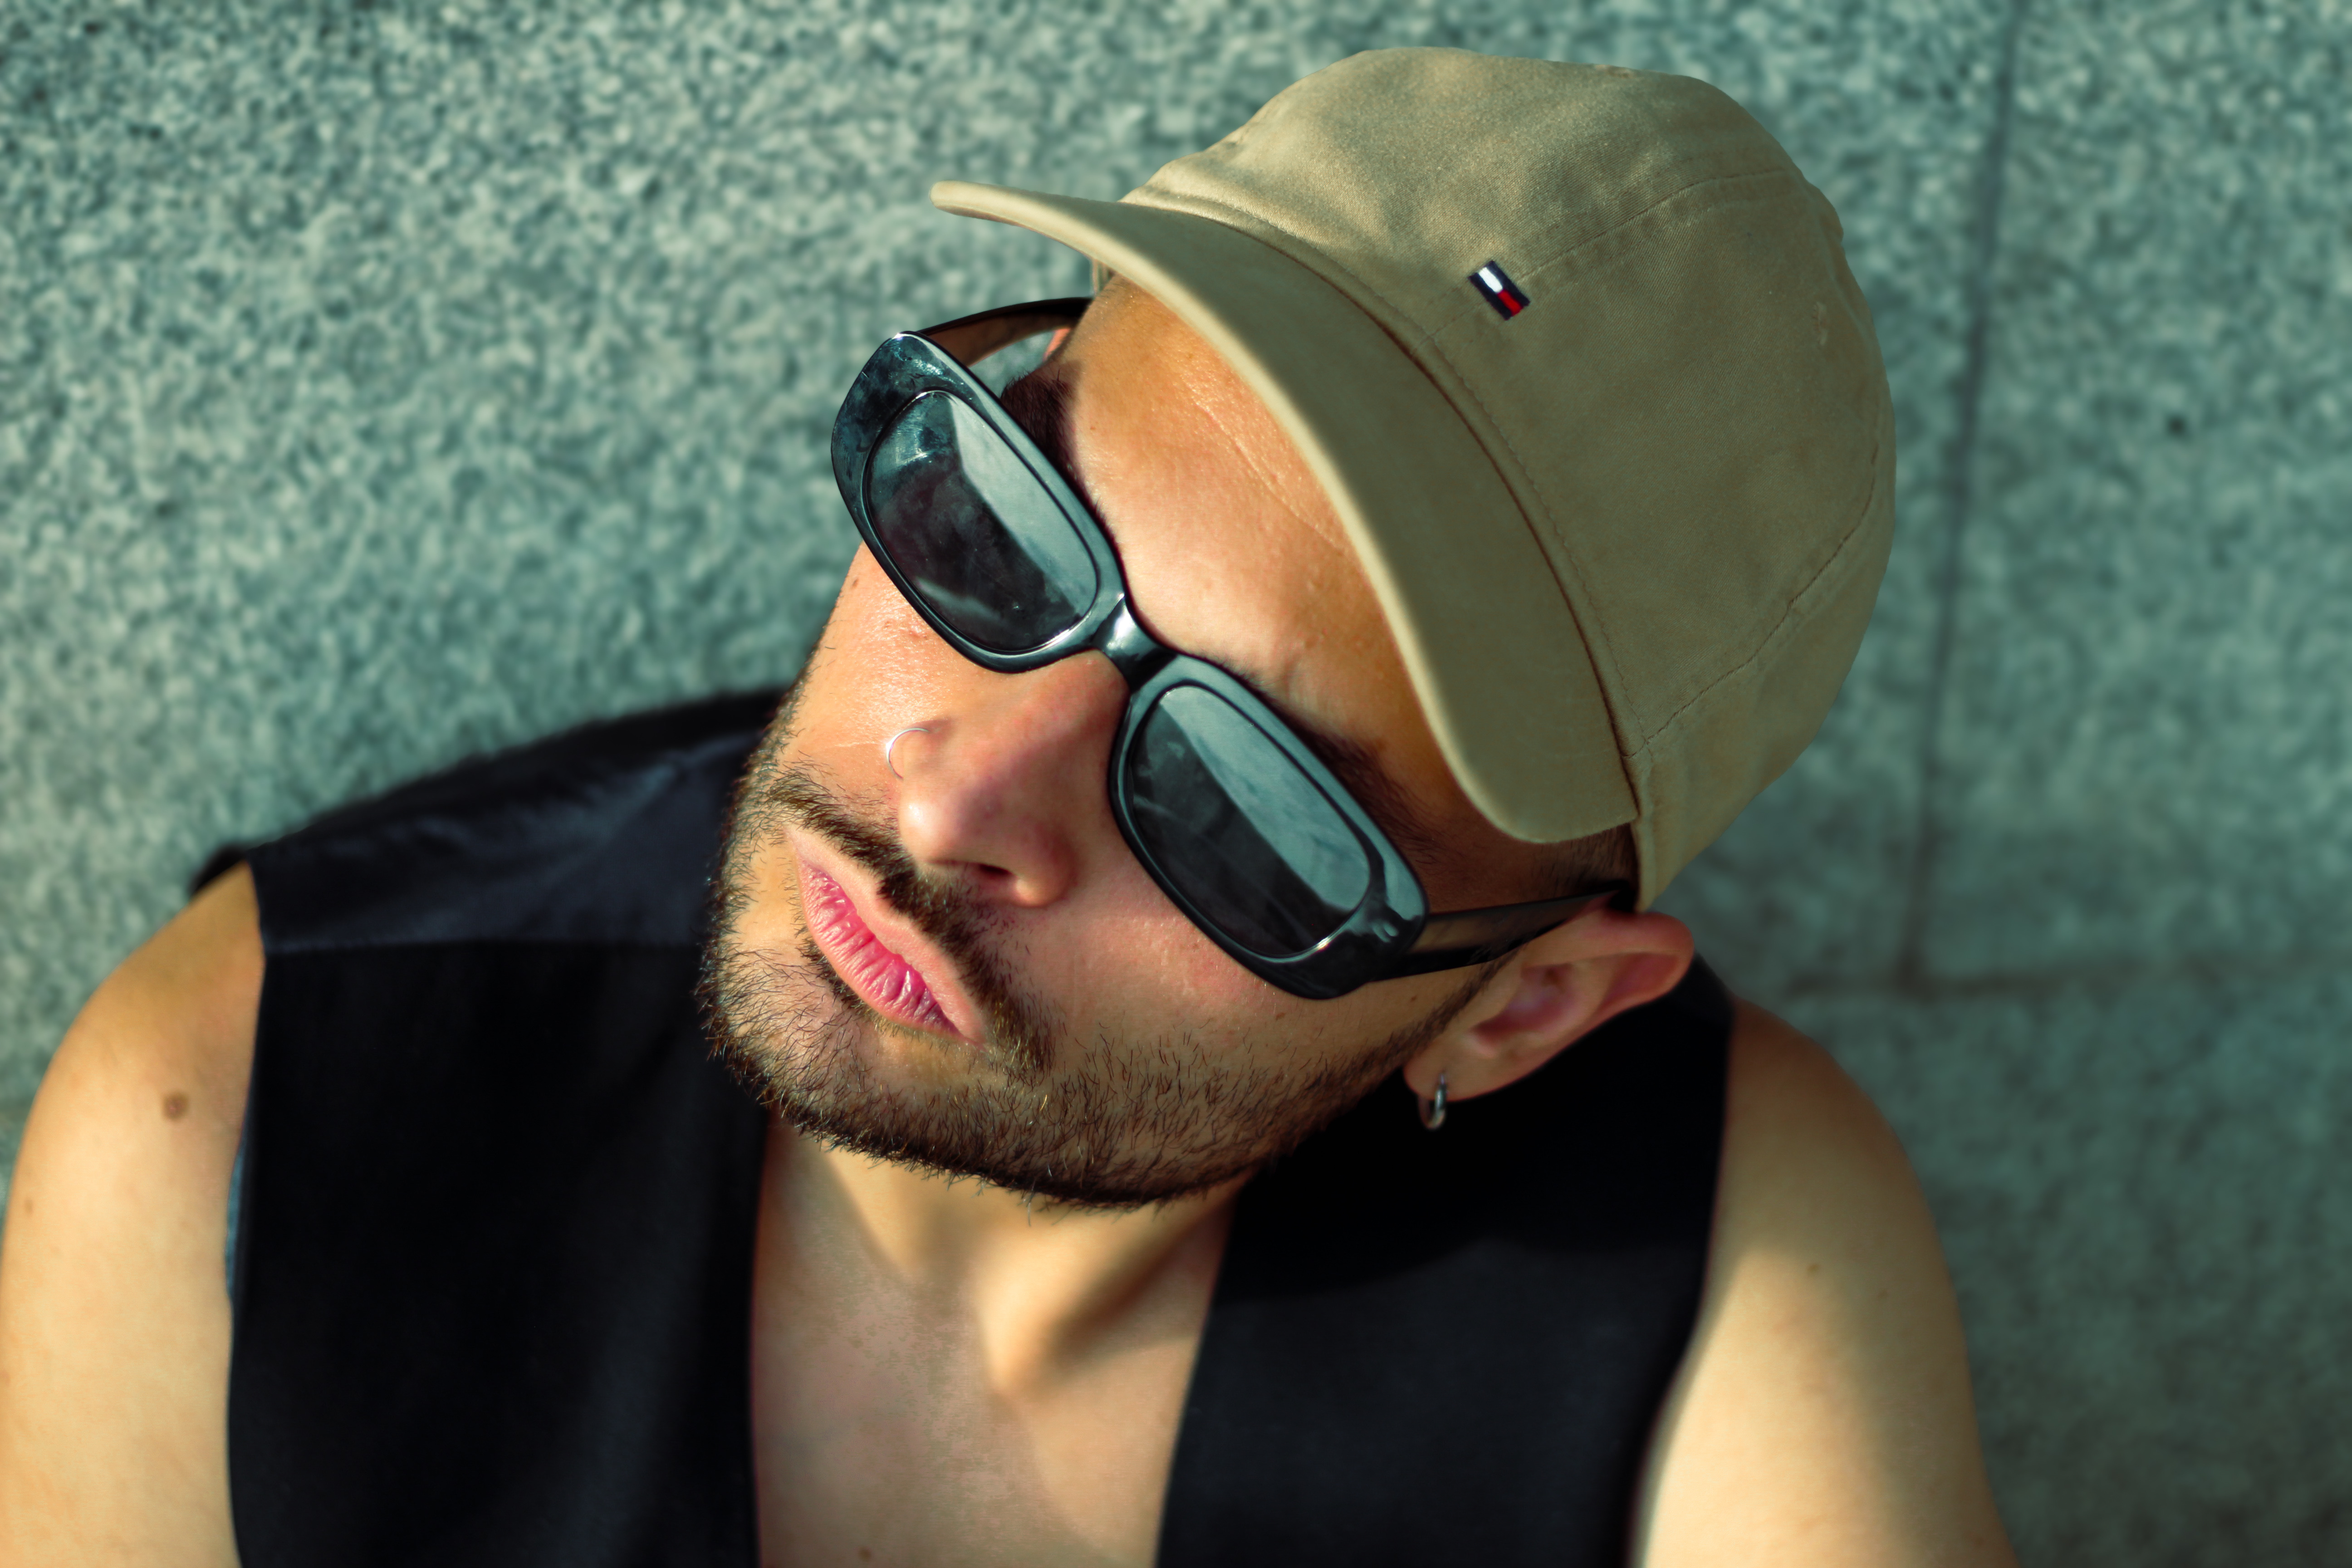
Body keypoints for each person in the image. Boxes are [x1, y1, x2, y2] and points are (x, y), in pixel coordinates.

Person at [0, 48, 2016, 1568]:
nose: (957, 788)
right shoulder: (252, 1110)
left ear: (1522, 1011)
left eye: (1248, 803)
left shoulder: (1712, 1255)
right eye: (1004, 532)